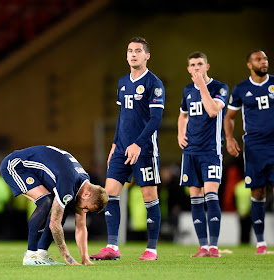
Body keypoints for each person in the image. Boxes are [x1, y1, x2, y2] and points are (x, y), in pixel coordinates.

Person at [90, 37, 165, 261]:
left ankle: (151, 249)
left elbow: (155, 120)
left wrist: (137, 144)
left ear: (147, 55)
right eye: (130, 51)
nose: (133, 54)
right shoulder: (123, 82)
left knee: (149, 196)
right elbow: (122, 116)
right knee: (109, 193)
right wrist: (115, 143)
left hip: (145, 150)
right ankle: (112, 246)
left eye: (138, 51)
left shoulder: (154, 83)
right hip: (122, 148)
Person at [0, 145, 108, 266]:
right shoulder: (69, 183)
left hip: (34, 168)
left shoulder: (84, 183)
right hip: (15, 165)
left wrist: (85, 258)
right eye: (87, 208)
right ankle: (31, 255)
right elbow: (54, 223)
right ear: (87, 195)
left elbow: (81, 226)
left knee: (63, 207)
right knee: (45, 201)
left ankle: (41, 254)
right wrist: (68, 257)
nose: (84, 211)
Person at [177, 51, 229, 258]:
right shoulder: (187, 90)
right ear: (189, 69)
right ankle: (203, 247)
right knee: (195, 197)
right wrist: (180, 134)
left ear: (207, 67)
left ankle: (214, 247)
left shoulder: (220, 88)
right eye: (192, 65)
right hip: (191, 151)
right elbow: (183, 114)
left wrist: (203, 87)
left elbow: (212, 111)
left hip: (211, 151)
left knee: (211, 194)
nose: (196, 68)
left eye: (200, 64)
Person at [224, 49, 274, 255]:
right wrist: (229, 138)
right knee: (257, 193)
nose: (263, 62)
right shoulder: (241, 89)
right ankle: (261, 243)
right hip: (254, 147)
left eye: (265, 59)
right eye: (258, 59)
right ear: (249, 64)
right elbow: (229, 116)